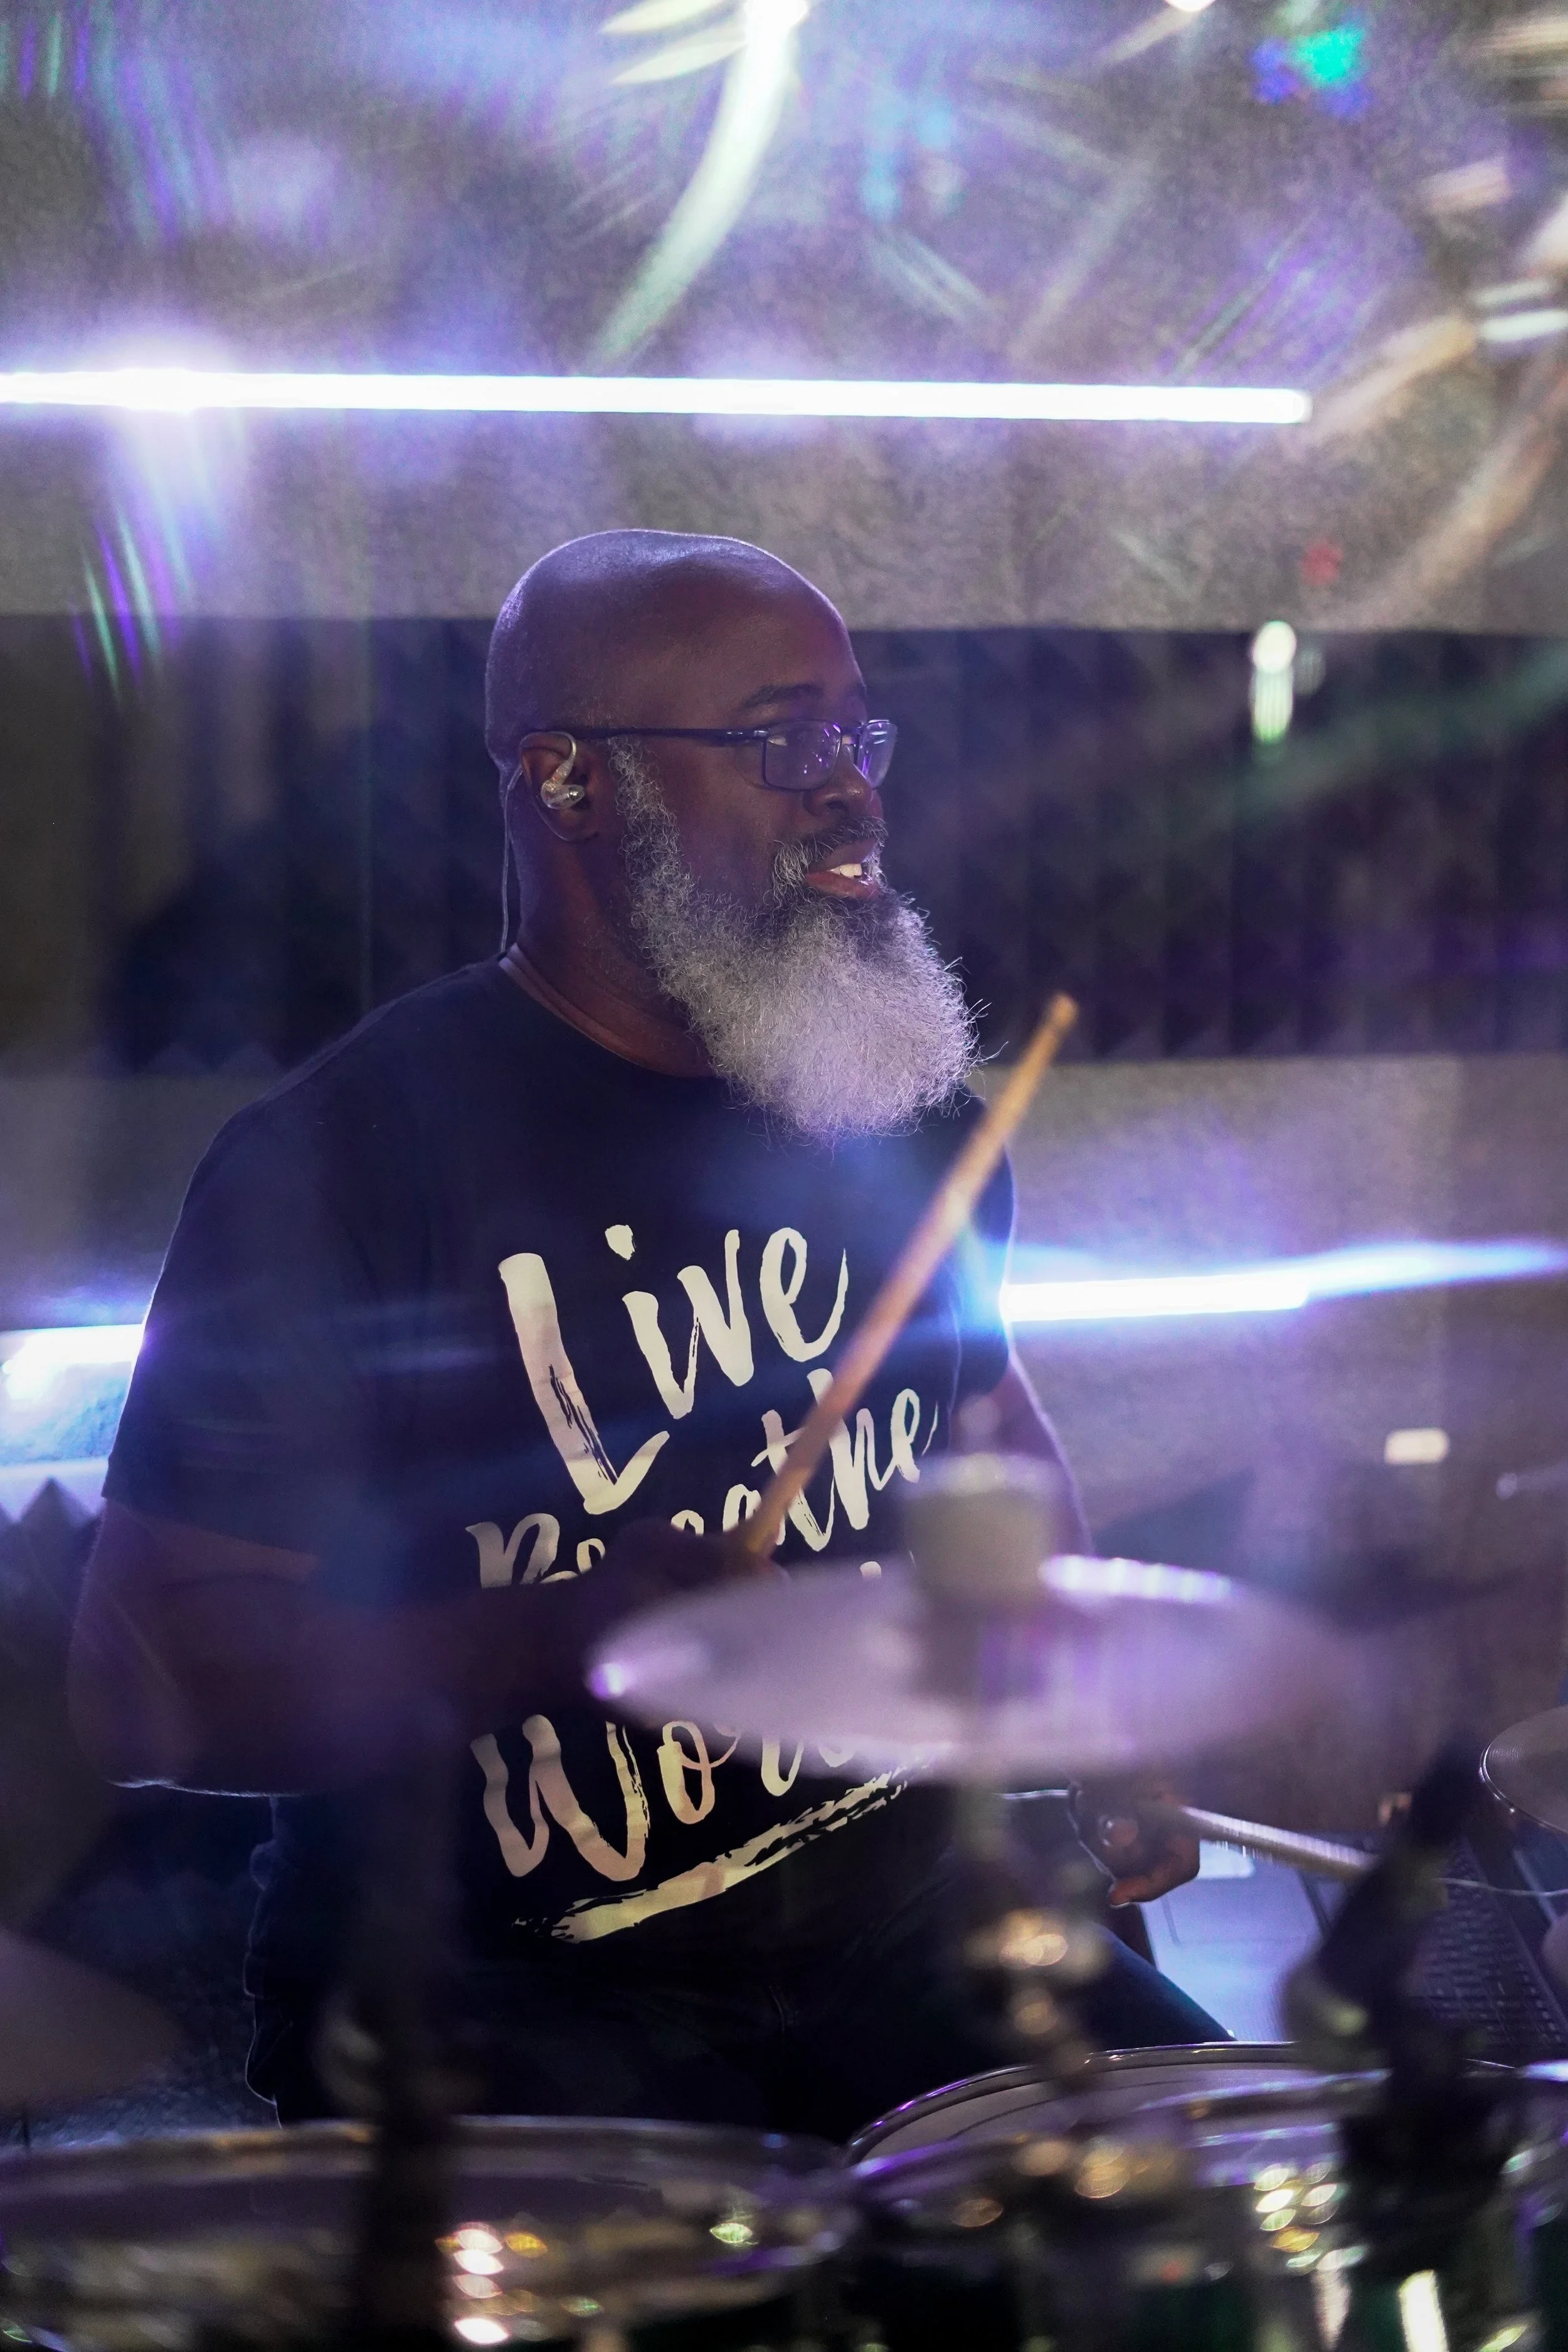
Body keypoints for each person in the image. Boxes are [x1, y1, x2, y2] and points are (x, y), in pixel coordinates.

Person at [68, 530, 1217, 2139]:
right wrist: (552, 1639)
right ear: (563, 778)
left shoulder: (893, 1107)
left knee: (1229, 2204)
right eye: (781, 740)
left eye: (856, 736)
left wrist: (1096, 1718)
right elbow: (142, 1684)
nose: (849, 790)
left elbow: (982, 1428)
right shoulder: (341, 1162)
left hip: (901, 1936)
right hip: (487, 1999)